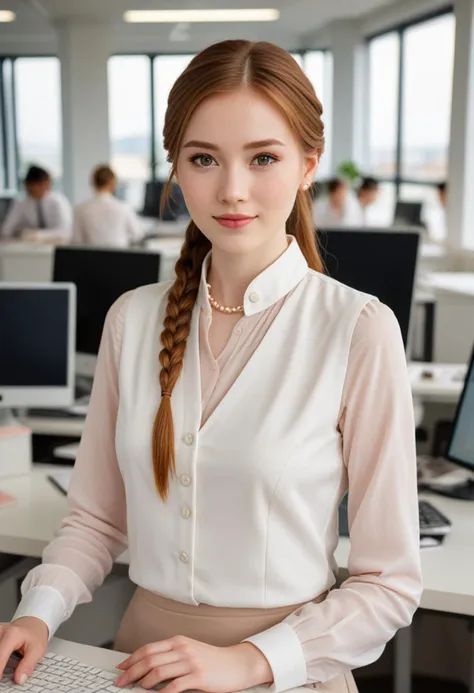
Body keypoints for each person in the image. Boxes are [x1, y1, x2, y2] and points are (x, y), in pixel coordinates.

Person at [0, 40, 422, 693]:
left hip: (292, 670)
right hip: (139, 664)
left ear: (309, 165)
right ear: (176, 167)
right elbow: (94, 520)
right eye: (203, 159)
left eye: (263, 158)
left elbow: (389, 583)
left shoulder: (358, 328)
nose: (231, 190)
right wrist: (36, 612)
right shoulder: (132, 320)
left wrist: (249, 659)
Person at [72, 165, 142, 247]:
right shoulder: (124, 208)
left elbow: (77, 240)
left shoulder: (80, 209)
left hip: (92, 258)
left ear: (93, 183)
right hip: (119, 257)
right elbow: (137, 235)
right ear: (114, 184)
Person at [1, 165, 72, 241]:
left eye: (47, 185)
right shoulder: (21, 202)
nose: (45, 188)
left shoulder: (58, 202)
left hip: (55, 245)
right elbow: (6, 230)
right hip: (30, 247)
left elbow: (65, 232)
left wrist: (36, 234)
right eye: (28, 185)